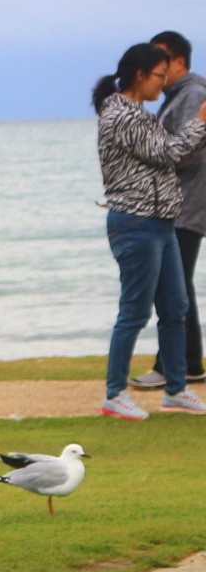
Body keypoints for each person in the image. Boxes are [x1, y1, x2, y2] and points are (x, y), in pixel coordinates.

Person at [93, 41, 206, 418]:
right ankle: (114, 394)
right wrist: (201, 123)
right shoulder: (120, 116)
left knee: (175, 308)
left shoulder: (139, 113)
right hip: (135, 224)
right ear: (140, 75)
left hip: (161, 224)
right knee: (135, 312)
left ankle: (176, 389)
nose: (163, 83)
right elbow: (167, 153)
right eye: (158, 76)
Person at [131, 31, 206, 390]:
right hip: (177, 204)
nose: (155, 66)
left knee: (171, 285)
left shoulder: (193, 94)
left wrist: (153, 162)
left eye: (161, 59)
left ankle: (171, 364)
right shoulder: (177, 96)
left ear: (179, 61)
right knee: (178, 285)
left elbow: (194, 150)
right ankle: (188, 362)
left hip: (186, 204)